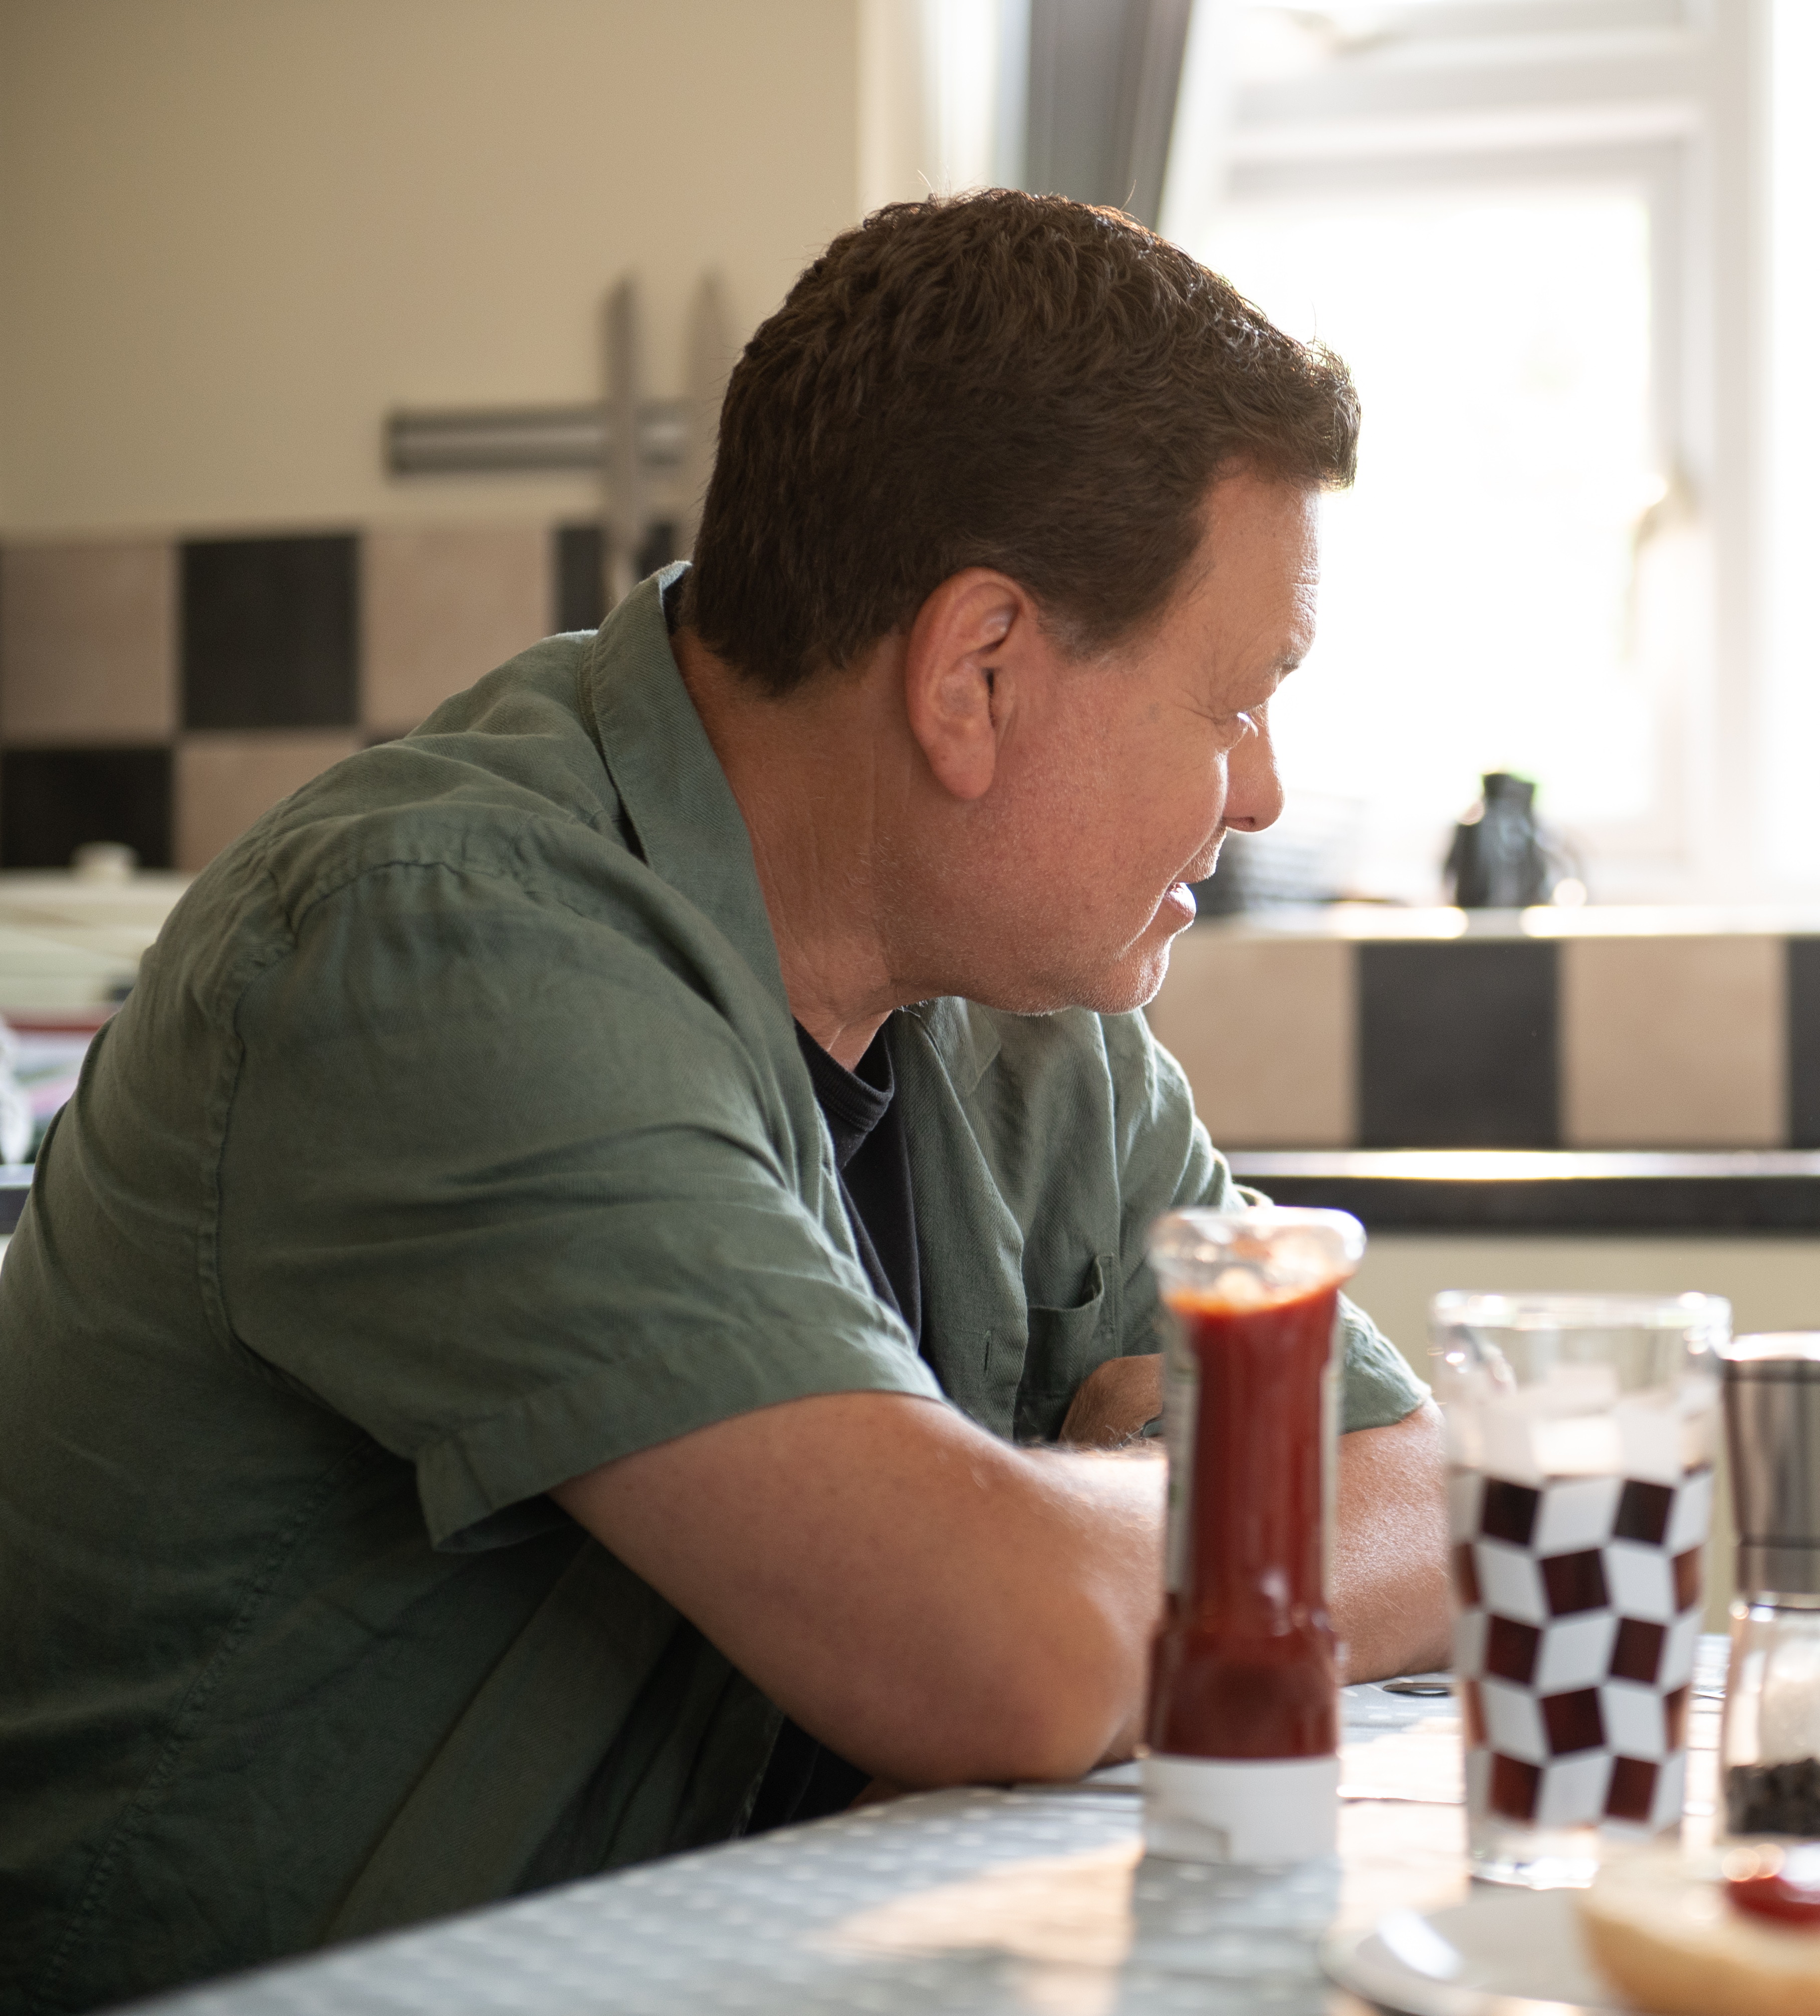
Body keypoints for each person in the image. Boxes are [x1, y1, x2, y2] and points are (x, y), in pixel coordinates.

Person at [0, 192, 1451, 2014]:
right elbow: (1003, 1652)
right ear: (975, 674)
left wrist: (1115, 1536)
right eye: (1233, 704)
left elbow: (1423, 1494)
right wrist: (1124, 1524)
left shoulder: (1027, 1008)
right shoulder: (434, 946)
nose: (1260, 794)